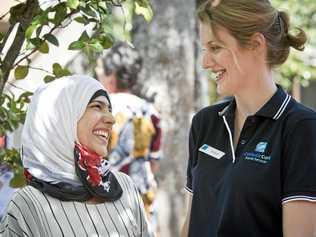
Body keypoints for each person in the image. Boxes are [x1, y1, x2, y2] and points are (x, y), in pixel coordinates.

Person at [182, 0, 316, 236]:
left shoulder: (302, 128)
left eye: (215, 48)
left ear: (256, 44)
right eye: (204, 49)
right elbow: (191, 224)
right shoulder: (204, 123)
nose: (205, 63)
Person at [0, 75, 152, 236]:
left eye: (109, 109)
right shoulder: (28, 205)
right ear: (63, 117)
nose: (111, 119)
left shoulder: (124, 186)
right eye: (97, 106)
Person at [95, 42, 162, 235]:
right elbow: (154, 162)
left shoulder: (100, 108)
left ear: (111, 76)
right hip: (140, 197)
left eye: (100, 70)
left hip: (104, 197)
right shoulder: (150, 111)